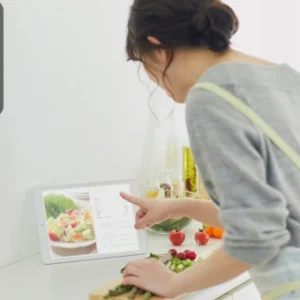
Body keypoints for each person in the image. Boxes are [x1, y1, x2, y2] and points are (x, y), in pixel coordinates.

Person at [120, 0, 300, 299]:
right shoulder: (286, 79)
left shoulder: (210, 97)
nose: (152, 79)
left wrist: (173, 283)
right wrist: (179, 206)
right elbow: (277, 214)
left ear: (158, 48)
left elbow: (256, 239)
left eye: (143, 63)